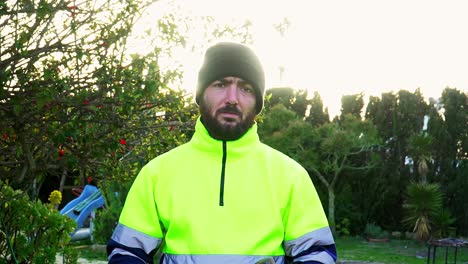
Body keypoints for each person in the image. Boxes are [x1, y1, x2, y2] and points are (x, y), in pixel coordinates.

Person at [107, 42, 337, 264]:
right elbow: (128, 251)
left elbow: (316, 252)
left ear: (257, 103)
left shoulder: (290, 176)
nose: (232, 99)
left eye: (246, 88)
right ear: (200, 94)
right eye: (220, 84)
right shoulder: (157, 174)